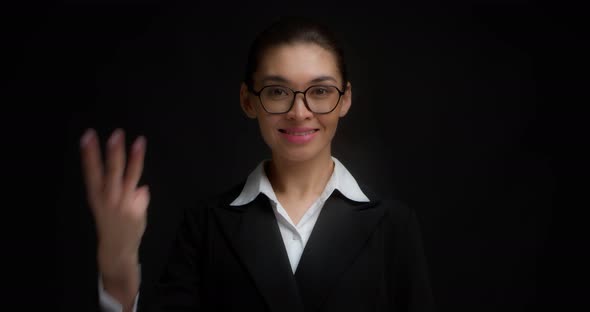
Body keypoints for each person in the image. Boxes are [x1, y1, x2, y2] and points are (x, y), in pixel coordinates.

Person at [79, 16, 435, 312]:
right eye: (278, 91)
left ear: (345, 99)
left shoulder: (394, 226)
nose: (299, 112)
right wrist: (118, 268)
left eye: (320, 91)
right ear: (248, 101)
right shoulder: (206, 226)